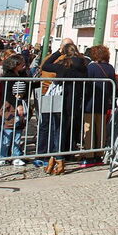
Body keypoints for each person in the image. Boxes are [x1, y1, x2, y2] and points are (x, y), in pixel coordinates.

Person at [40, 43, 88, 175]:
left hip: (61, 100)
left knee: (57, 130)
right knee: (62, 130)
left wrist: (58, 52)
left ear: (65, 52)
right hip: (74, 101)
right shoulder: (83, 65)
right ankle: (54, 159)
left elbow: (45, 65)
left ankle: (59, 159)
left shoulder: (64, 65)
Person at [80, 45, 115, 168]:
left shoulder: (91, 67)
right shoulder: (110, 68)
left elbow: (87, 85)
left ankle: (89, 155)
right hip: (103, 103)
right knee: (101, 129)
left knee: (89, 129)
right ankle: (99, 154)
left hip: (90, 103)